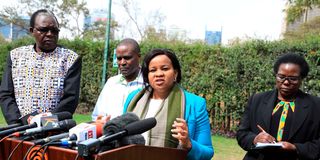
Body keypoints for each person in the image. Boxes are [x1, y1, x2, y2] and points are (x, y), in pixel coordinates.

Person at [123, 49, 214, 160]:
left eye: (165, 69)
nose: (159, 74)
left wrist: (188, 144)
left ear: (175, 73)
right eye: (153, 70)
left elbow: (208, 152)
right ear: (147, 75)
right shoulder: (133, 99)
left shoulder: (195, 103)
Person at [0, 9, 82, 125]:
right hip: (19, 129)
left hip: (54, 131)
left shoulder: (70, 59)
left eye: (54, 30)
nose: (50, 34)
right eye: (43, 30)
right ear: (32, 31)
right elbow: (6, 94)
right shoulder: (15, 56)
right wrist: (18, 123)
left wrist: (45, 123)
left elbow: (70, 99)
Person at [236, 53, 320, 160]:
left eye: (293, 79)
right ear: (276, 75)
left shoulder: (316, 105)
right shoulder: (257, 100)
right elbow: (242, 133)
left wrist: (296, 148)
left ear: (301, 79)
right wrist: (255, 139)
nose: (285, 82)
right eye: (281, 77)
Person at [91, 38, 143, 120]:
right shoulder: (111, 83)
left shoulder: (148, 83)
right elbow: (97, 116)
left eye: (127, 58)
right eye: (119, 58)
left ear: (139, 57)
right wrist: (100, 122)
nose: (122, 63)